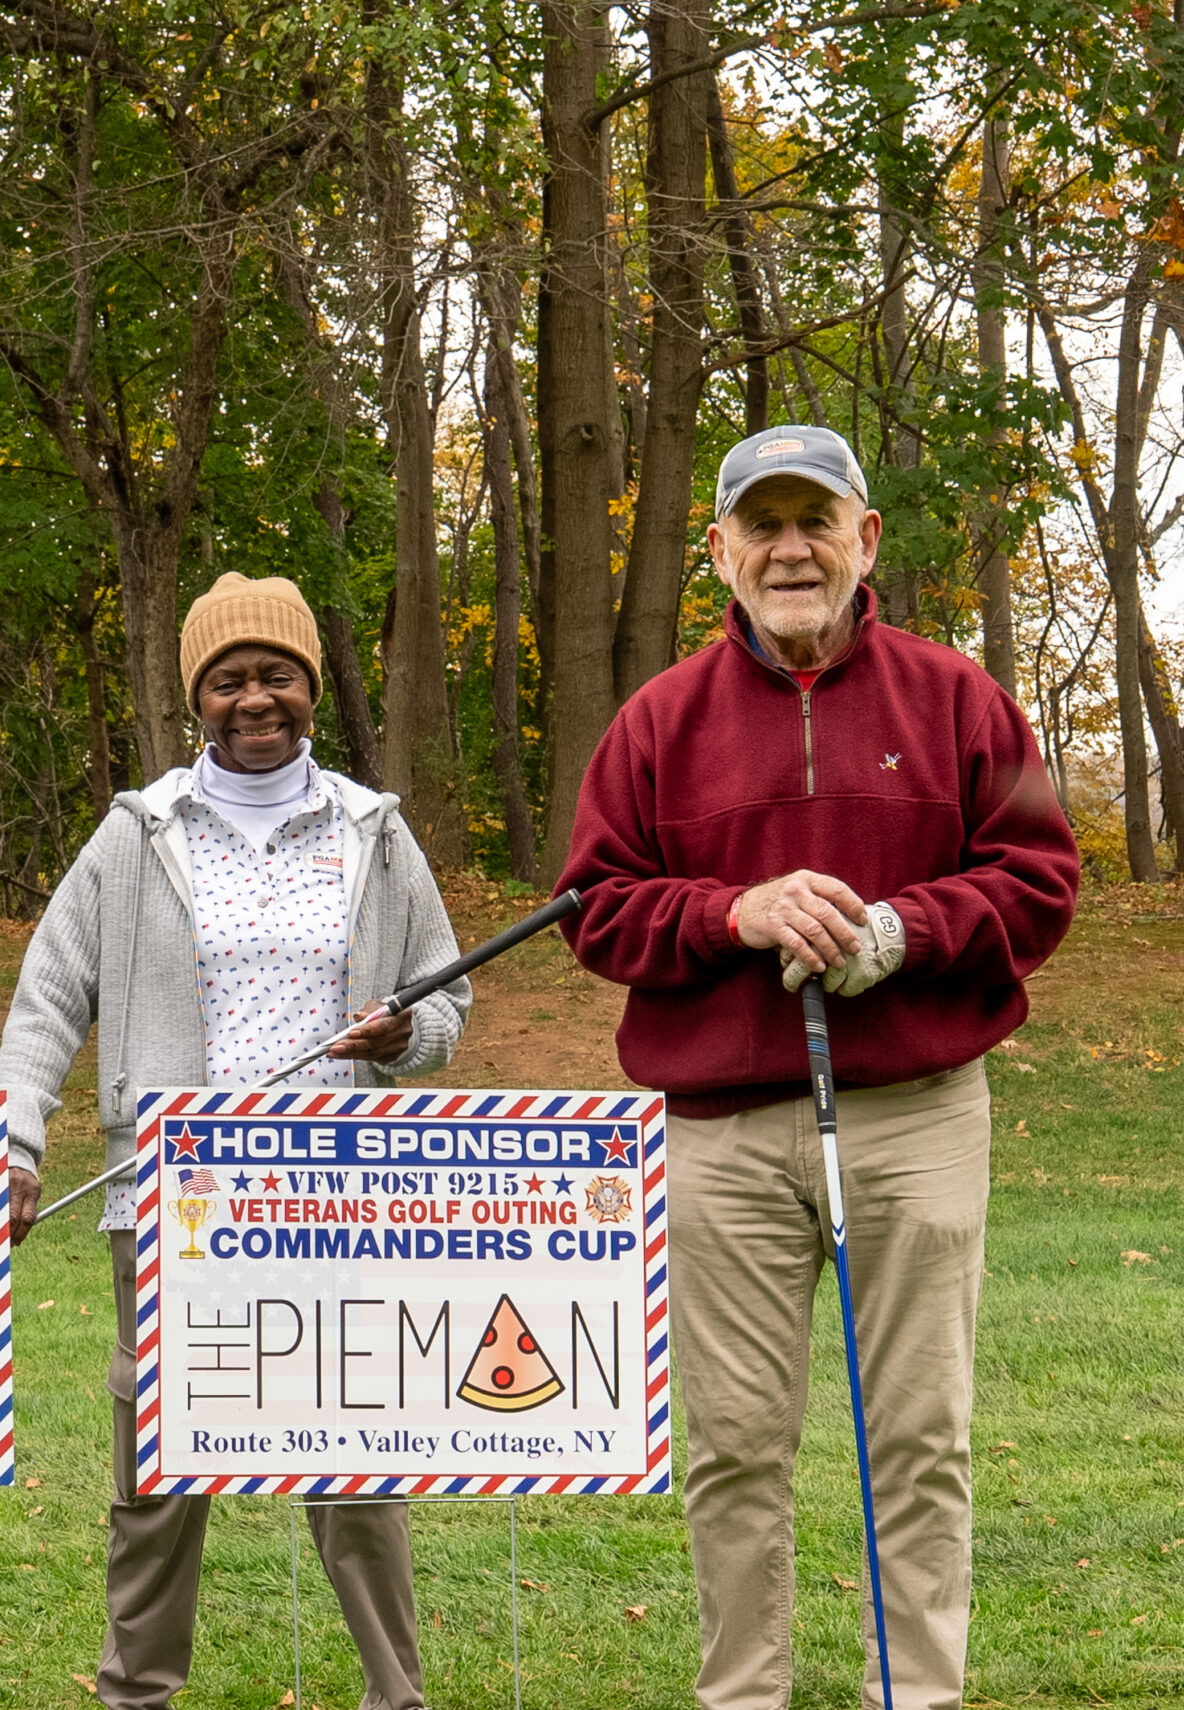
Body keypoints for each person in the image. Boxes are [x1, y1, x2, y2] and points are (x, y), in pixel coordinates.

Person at [558, 424, 1079, 1710]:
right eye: (762, 525)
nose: (790, 550)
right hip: (718, 1133)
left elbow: (1039, 879)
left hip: (916, 1113)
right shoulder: (656, 721)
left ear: (865, 539)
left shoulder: (954, 698)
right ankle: (744, 1698)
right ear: (719, 549)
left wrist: (904, 933)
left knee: (917, 1437)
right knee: (734, 1445)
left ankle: (916, 1697)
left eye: (815, 521)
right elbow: (593, 908)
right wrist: (729, 914)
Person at [0, 571, 470, 1710]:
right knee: (158, 1474)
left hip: (337, 1198)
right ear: (195, 697)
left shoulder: (374, 833)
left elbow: (446, 1001)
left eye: (278, 675)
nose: (256, 698)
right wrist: (16, 1143)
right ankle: (135, 1694)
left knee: (354, 1463)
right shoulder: (135, 835)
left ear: (312, 688)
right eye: (228, 679)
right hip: (170, 1199)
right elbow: (47, 998)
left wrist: (405, 1034)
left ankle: (395, 1695)